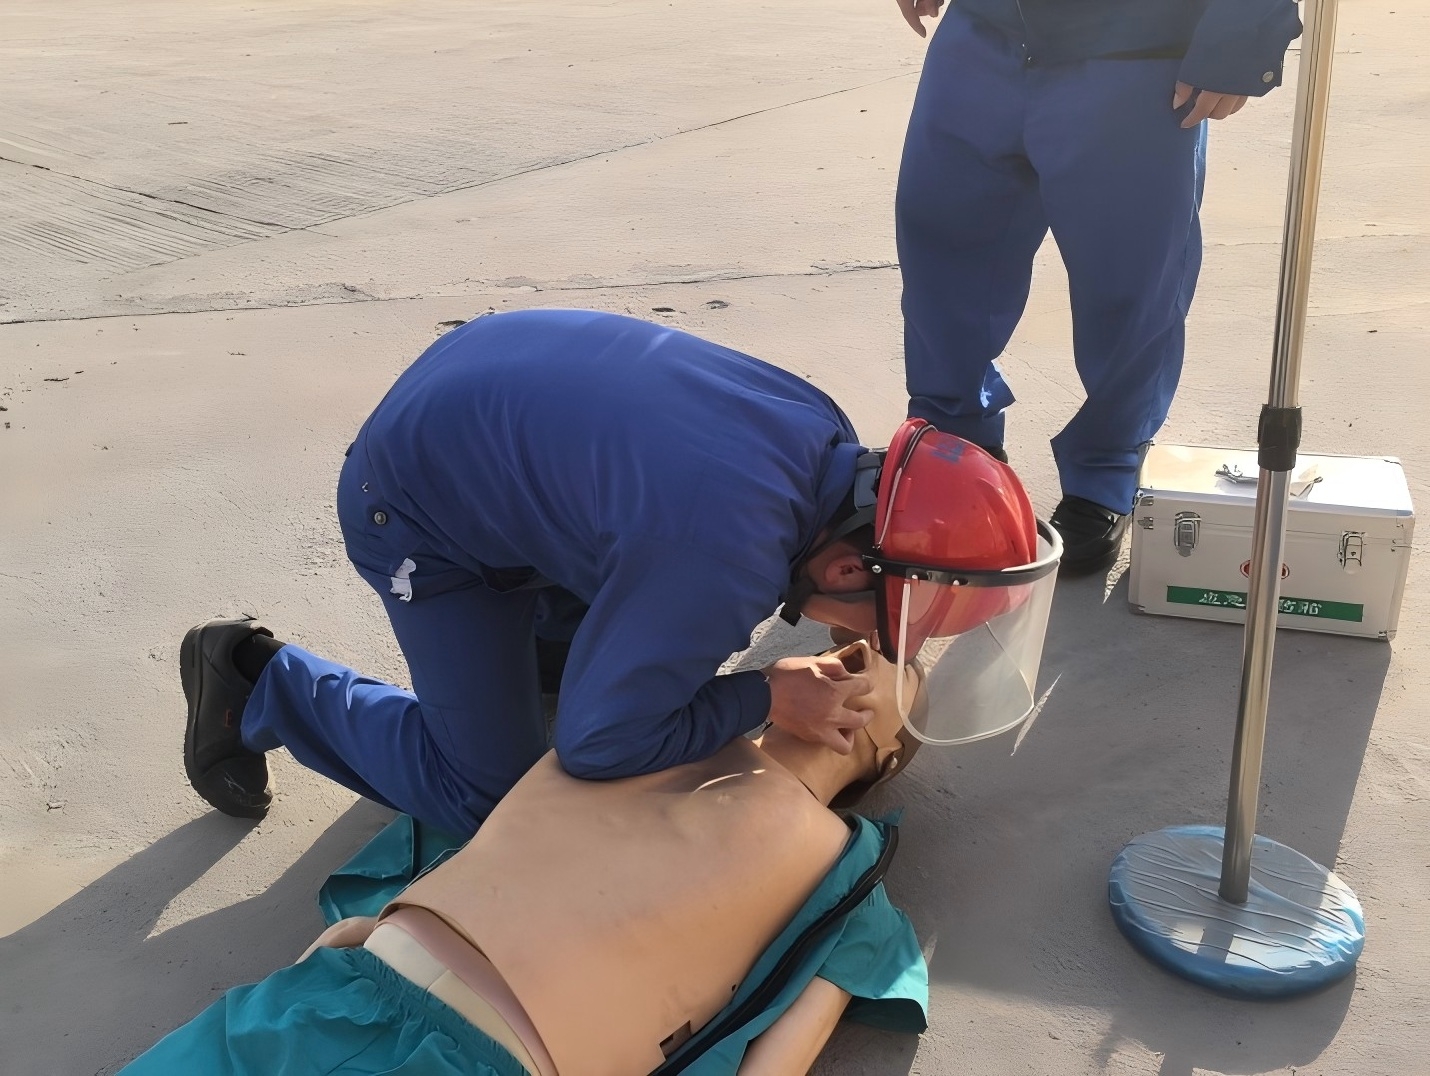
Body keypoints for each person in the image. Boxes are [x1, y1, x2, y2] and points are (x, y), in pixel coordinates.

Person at [181, 309, 1048, 835]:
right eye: (889, 619)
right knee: (495, 792)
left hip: (491, 393)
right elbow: (599, 749)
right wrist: (767, 694)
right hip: (413, 503)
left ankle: (541, 643)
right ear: (849, 562)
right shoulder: (724, 557)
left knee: (617, 657)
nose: (882, 642)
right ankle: (261, 683)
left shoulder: (820, 431)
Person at [125, 642, 931, 1076]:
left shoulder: (852, 883)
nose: (851, 655)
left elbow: (777, 1060)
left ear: (887, 756)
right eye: (849, 647)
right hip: (332, 992)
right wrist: (346, 948)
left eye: (878, 666)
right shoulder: (655, 737)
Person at [892, 0, 1303, 573]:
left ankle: (1106, 466)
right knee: (943, 245)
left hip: (1138, 49)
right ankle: (953, 439)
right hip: (983, 33)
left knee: (1130, 275)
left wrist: (1243, 30)